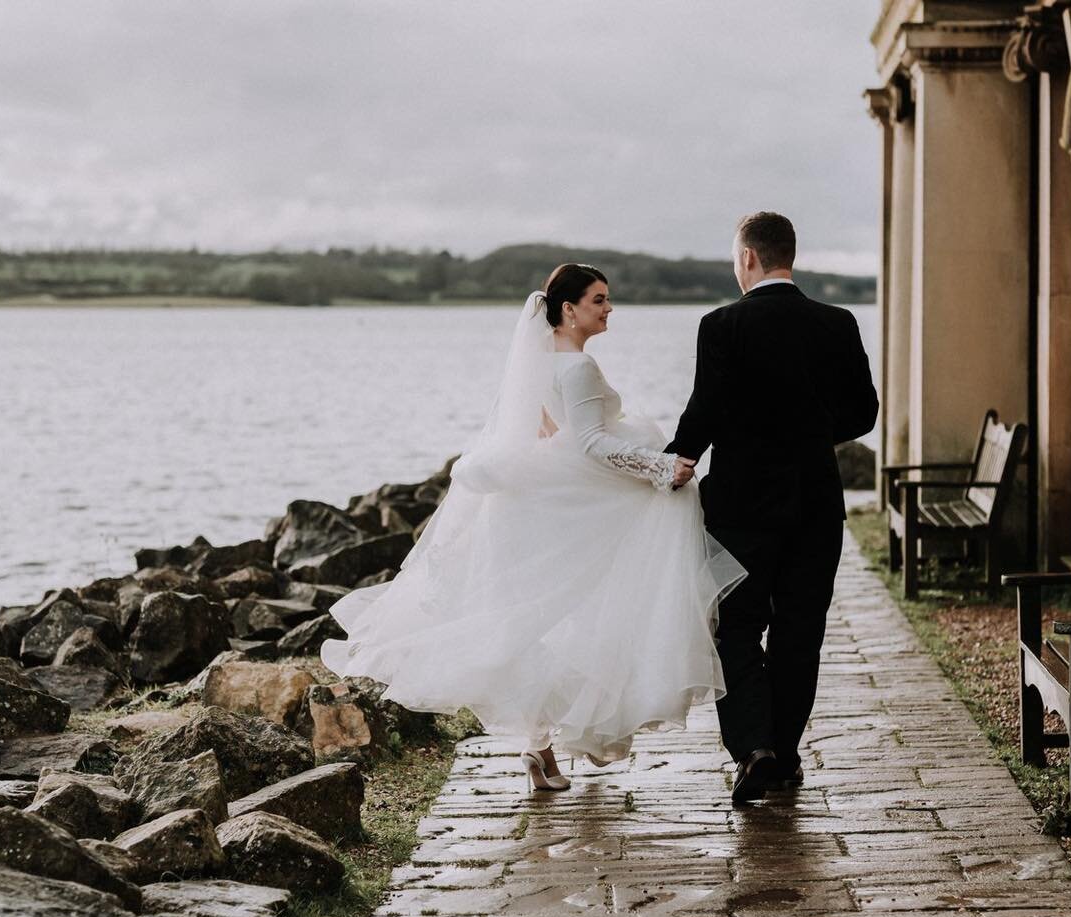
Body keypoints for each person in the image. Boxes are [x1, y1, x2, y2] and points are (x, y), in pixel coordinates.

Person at [320, 263, 744, 791]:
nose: (609, 308)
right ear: (569, 310)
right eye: (599, 300)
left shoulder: (539, 364)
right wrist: (661, 468)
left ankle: (539, 747)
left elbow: (545, 432)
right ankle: (578, 732)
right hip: (578, 509)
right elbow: (590, 444)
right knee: (595, 613)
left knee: (541, 625)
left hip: (541, 503)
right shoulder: (578, 368)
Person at [666, 212, 878, 803]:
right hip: (815, 504)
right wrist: (807, 432)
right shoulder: (837, 323)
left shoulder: (721, 325)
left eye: (737, 259)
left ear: (750, 258)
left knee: (733, 627)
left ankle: (754, 749)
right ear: (791, 254)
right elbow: (863, 413)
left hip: (741, 506)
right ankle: (783, 752)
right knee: (799, 631)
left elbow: (701, 414)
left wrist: (669, 465)